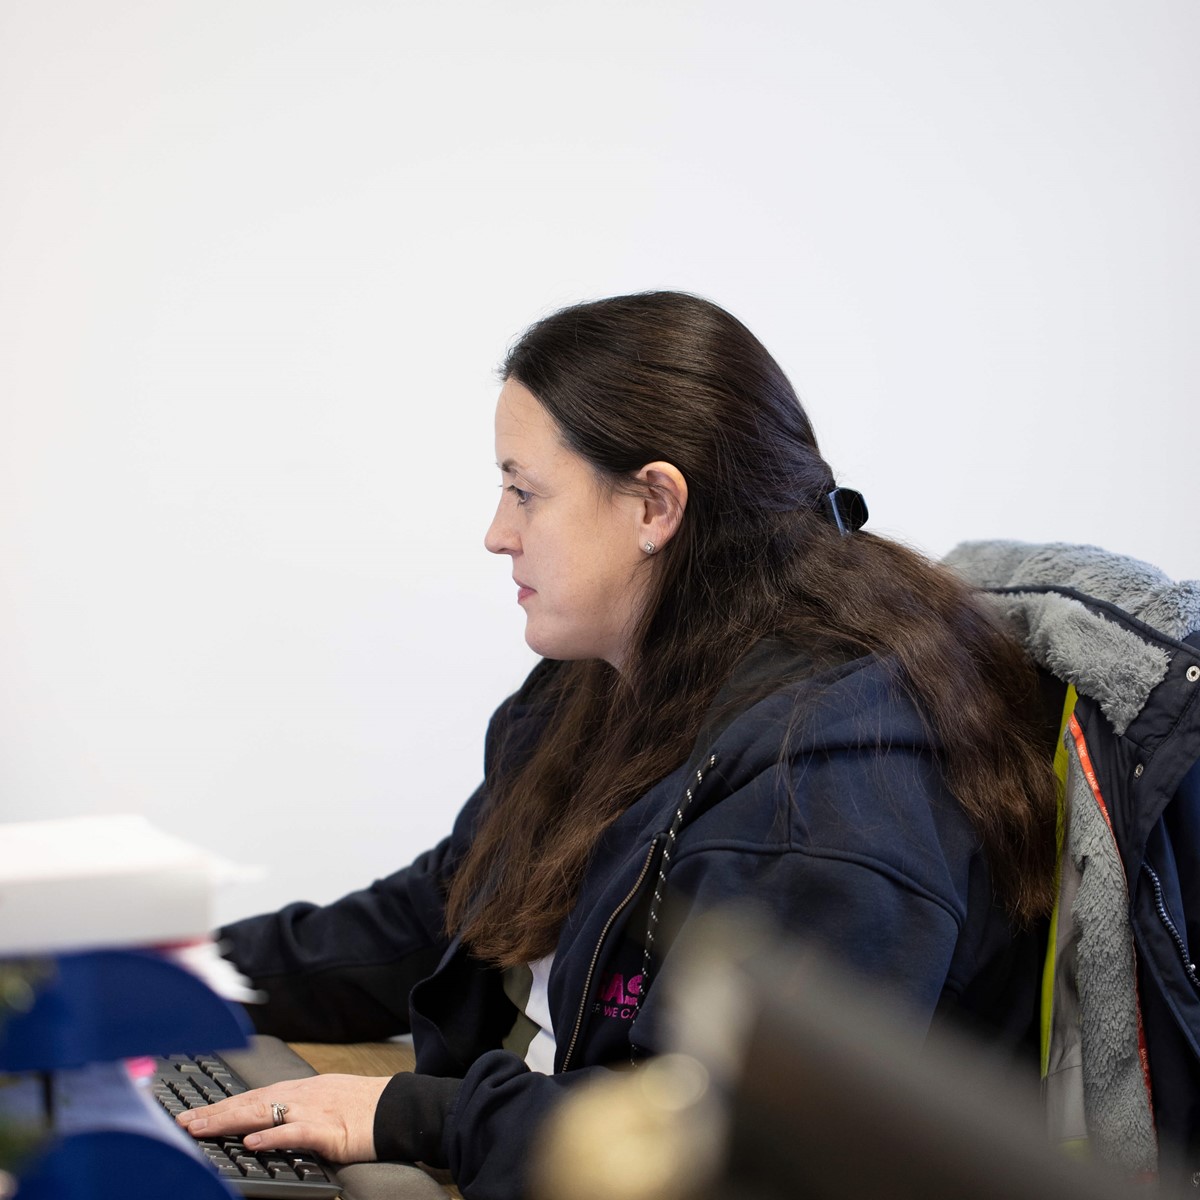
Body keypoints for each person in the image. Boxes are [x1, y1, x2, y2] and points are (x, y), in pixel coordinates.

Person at [178, 291, 1059, 1198]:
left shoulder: (828, 790)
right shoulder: (606, 676)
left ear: (654, 504)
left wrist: (409, 1115)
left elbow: (712, 1146)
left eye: (524, 491)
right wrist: (178, 978)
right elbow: (450, 908)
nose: (497, 533)